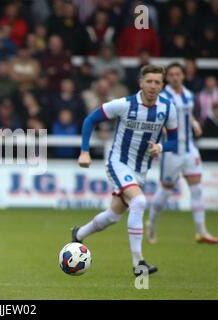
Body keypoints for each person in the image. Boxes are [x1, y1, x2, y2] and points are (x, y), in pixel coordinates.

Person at [72, 65, 178, 276]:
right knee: (139, 202)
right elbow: (90, 120)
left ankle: (78, 234)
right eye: (149, 81)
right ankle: (139, 264)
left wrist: (161, 147)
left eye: (158, 82)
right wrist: (84, 151)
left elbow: (175, 141)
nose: (153, 86)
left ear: (162, 86)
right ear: (141, 83)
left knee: (113, 215)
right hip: (118, 163)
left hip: (141, 170)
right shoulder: (124, 104)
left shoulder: (168, 108)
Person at [147, 63, 217, 245]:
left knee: (197, 189)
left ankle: (201, 232)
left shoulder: (188, 94)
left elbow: (187, 114)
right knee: (165, 191)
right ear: (167, 78)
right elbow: (158, 118)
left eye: (178, 74)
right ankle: (152, 224)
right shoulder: (163, 97)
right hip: (171, 150)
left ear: (183, 76)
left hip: (189, 148)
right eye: (171, 75)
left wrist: (194, 123)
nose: (175, 77)